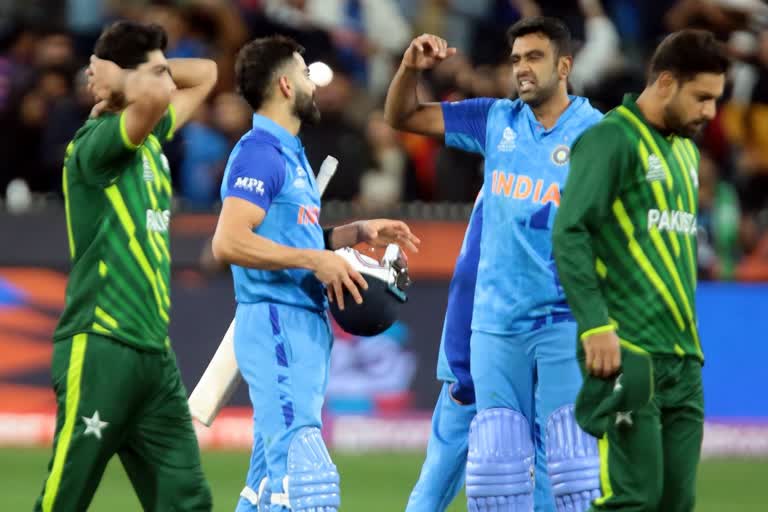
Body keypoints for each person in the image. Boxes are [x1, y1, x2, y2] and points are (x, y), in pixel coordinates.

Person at [385, 17, 603, 512]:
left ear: (564, 66)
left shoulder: (599, 134)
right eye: (516, 60)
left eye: (534, 58)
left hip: (562, 321)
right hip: (495, 324)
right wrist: (407, 69)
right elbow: (403, 117)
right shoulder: (496, 120)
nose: (521, 70)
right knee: (496, 469)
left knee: (567, 468)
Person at [210, 35, 420, 512]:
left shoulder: (291, 154)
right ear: (285, 84)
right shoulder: (259, 153)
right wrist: (315, 261)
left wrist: (357, 232)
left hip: (301, 325)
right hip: (277, 322)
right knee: (308, 482)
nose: (312, 84)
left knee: (266, 486)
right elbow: (229, 241)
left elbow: (297, 239)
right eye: (306, 74)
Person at [35, 20, 218, 511]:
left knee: (188, 501)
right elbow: (158, 97)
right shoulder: (96, 146)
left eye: (95, 70)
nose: (88, 79)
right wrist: (129, 77)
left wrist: (135, 70)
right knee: (65, 498)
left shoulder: (152, 138)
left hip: (154, 358)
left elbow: (205, 73)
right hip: (101, 346)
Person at [553, 29, 729, 512]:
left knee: (676, 502)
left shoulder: (687, 153)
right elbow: (569, 232)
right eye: (703, 98)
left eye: (717, 100)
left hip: (684, 357)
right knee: (634, 499)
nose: (711, 113)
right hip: (628, 352)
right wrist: (594, 325)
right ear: (667, 81)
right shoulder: (611, 138)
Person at [405, 192, 481, 511]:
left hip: (474, 357)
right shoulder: (509, 194)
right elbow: (468, 279)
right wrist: (462, 374)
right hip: (481, 360)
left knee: (436, 481)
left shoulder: (502, 184)